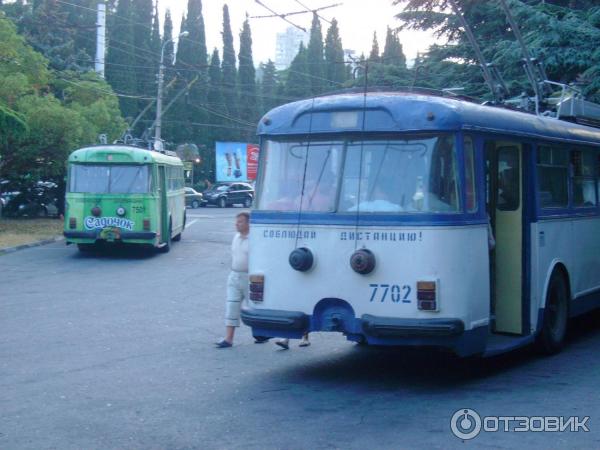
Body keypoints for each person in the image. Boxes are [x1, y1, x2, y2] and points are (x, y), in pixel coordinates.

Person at [216, 212, 263, 348]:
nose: (237, 224)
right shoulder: (236, 237)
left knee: (255, 307)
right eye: (237, 221)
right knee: (232, 305)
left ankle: (260, 333)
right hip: (235, 275)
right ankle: (229, 339)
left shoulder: (255, 239)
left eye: (240, 222)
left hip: (251, 277)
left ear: (248, 223)